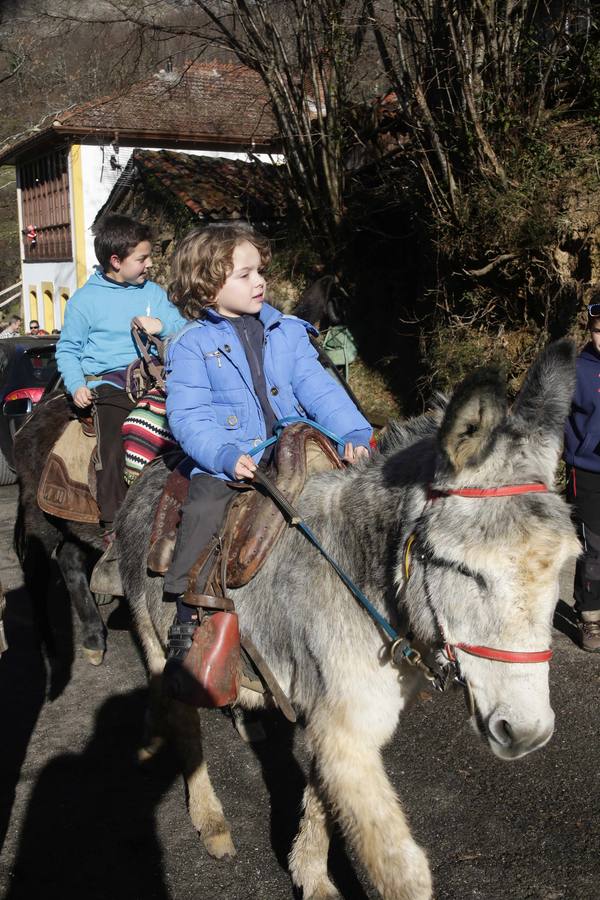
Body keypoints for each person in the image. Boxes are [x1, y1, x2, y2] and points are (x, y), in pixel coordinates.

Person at [162, 222, 372, 692]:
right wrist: (222, 453)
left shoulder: (287, 330)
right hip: (237, 455)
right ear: (207, 283)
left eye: (259, 271)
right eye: (244, 274)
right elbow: (189, 413)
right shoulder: (191, 345)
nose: (260, 282)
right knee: (203, 506)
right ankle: (187, 608)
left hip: (297, 443)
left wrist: (354, 430)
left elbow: (319, 390)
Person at [56, 214, 185, 539]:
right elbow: (68, 349)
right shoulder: (84, 302)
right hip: (110, 384)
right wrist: (76, 385)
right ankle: (114, 526)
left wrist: (163, 326)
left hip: (156, 378)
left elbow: (181, 325)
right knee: (114, 445)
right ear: (116, 261)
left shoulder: (153, 293)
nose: (150, 264)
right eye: (142, 258)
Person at [564, 300, 600, 652]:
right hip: (587, 471)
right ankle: (590, 618)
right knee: (593, 548)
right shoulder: (575, 369)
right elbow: (553, 418)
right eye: (599, 329)